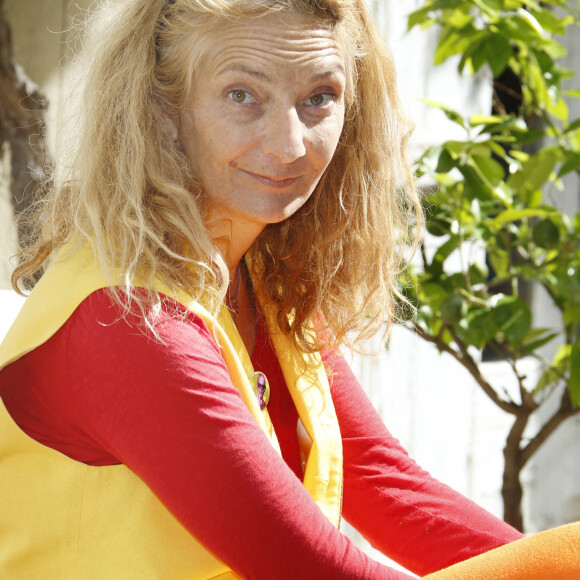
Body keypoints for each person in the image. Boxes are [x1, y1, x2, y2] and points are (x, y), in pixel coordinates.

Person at [0, 0, 555, 578]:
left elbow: (386, 485)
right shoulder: (129, 322)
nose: (290, 146)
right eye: (243, 95)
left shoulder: (254, 278)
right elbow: (312, 569)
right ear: (162, 108)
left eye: (320, 97)